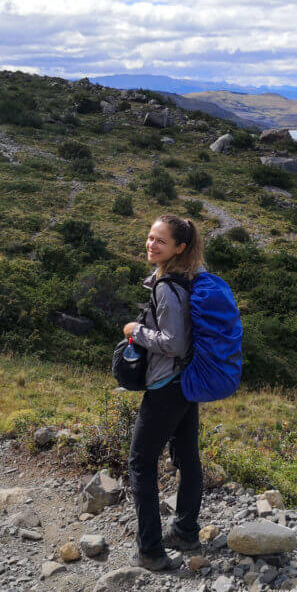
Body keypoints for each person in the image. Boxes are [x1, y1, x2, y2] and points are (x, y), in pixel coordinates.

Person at [123, 214, 207, 571]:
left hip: (165, 385)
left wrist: (134, 331)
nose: (151, 245)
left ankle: (151, 551)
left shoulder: (166, 288)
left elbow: (173, 342)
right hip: (187, 383)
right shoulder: (189, 280)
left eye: (160, 241)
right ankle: (185, 531)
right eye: (150, 237)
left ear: (179, 248)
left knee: (140, 462)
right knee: (187, 456)